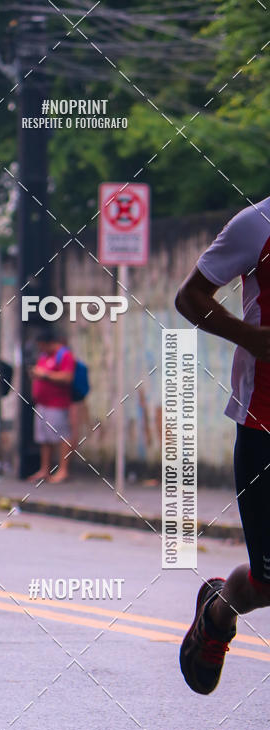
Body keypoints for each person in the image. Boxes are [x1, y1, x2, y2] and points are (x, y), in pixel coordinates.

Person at [176, 196, 270, 694]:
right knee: (267, 582)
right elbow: (190, 297)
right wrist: (250, 337)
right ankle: (218, 610)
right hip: (264, 423)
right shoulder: (257, 224)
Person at [29, 330, 75, 484]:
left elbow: (67, 377)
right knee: (44, 438)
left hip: (57, 403)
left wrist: (44, 375)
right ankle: (45, 469)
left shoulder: (64, 355)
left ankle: (63, 470)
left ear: (48, 343)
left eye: (41, 346)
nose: (40, 349)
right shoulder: (44, 356)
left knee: (62, 436)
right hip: (42, 403)